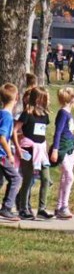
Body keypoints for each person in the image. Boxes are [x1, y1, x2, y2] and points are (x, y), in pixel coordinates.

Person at [15, 87, 53, 219]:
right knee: (28, 180)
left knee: (46, 178)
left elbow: (42, 133)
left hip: (41, 152)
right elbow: (15, 130)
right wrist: (18, 147)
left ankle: (42, 208)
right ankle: (23, 208)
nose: (46, 101)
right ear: (37, 99)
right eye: (44, 98)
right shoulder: (27, 114)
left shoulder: (45, 116)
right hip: (28, 150)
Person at [50, 87, 74, 219]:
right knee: (69, 176)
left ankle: (60, 206)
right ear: (72, 98)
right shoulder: (63, 113)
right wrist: (55, 150)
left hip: (69, 148)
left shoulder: (68, 113)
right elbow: (58, 132)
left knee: (65, 177)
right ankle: (63, 206)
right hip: (62, 148)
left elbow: (70, 132)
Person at [0, 84, 22, 222]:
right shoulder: (7, 117)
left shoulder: (1, 113)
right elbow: (2, 137)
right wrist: (9, 154)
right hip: (1, 155)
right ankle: (6, 208)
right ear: (16, 98)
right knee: (16, 179)